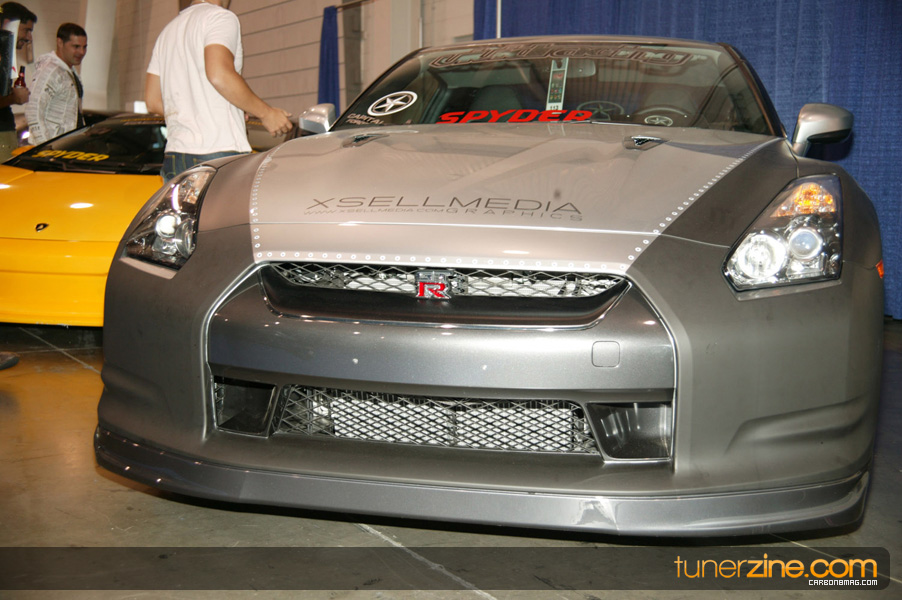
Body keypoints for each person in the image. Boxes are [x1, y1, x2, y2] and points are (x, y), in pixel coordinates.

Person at [146, 0, 291, 181]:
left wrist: (228, 108)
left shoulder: (168, 31)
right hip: (218, 152)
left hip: (175, 156)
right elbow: (219, 74)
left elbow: (152, 101)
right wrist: (266, 113)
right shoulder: (219, 18)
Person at [24, 22, 86, 145]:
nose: (81, 52)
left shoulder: (69, 71)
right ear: (60, 42)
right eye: (76, 46)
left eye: (84, 47)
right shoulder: (49, 70)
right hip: (52, 149)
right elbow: (33, 109)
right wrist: (45, 147)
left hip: (65, 147)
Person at [0, 1, 36, 161]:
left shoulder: (6, 56)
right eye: (26, 30)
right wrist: (14, 98)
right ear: (8, 24)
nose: (29, 38)